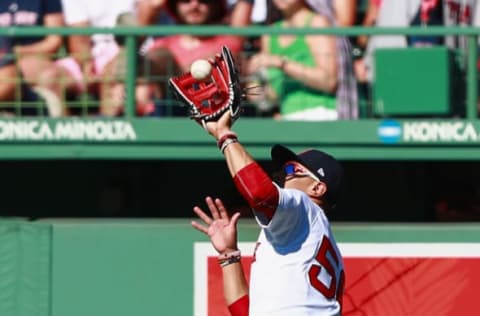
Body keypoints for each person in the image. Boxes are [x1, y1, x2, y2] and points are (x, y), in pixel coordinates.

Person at [191, 109, 345, 315]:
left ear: (317, 188)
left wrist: (224, 135)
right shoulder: (308, 235)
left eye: (291, 170)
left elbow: (261, 194)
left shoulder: (303, 207)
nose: (283, 175)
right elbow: (246, 311)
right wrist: (229, 256)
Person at [246, 0, 358, 120]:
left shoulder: (317, 24)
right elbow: (272, 95)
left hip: (322, 114)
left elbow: (329, 81)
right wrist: (253, 84)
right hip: (286, 119)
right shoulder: (269, 34)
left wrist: (282, 64)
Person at [36, 0, 138, 116]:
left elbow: (140, 27)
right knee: (49, 77)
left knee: (112, 74)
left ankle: (104, 127)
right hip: (88, 58)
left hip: (129, 53)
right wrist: (87, 66)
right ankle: (66, 130)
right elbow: (79, 35)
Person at [0, 0, 64, 116]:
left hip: (33, 59)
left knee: (9, 76)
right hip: (4, 62)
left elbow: (54, 42)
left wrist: (16, 52)